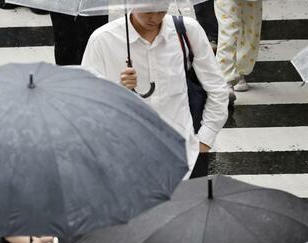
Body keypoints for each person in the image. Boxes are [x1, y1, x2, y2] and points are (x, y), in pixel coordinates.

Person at [82, 10, 230, 177]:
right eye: (147, 11)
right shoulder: (103, 40)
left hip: (186, 158)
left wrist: (204, 140)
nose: (155, 18)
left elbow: (217, 87)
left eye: (161, 10)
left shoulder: (187, 31)